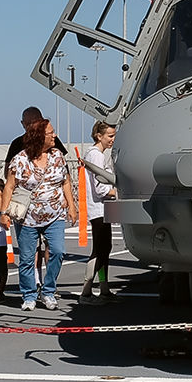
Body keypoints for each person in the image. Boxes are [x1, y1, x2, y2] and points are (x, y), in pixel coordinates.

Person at [6, 106, 71, 311]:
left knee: (58, 251)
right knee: (27, 258)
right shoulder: (19, 155)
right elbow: (9, 184)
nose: (54, 136)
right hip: (28, 216)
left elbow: (66, 179)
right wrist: (4, 211)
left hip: (54, 214)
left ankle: (49, 290)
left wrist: (72, 204)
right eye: (51, 133)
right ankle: (29, 294)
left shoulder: (57, 154)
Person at [79, 120, 118, 300]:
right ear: (99, 136)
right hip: (99, 208)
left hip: (100, 208)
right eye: (110, 136)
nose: (112, 139)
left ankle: (103, 287)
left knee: (104, 249)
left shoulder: (95, 154)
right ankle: (87, 290)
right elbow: (100, 187)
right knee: (101, 250)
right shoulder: (97, 155)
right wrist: (115, 191)